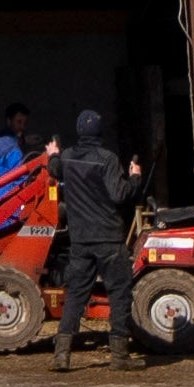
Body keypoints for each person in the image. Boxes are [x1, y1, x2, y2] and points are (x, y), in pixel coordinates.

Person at [45, 105, 135, 356]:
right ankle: (119, 354)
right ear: (100, 132)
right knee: (119, 292)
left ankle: (61, 354)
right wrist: (134, 178)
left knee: (75, 293)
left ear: (78, 131)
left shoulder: (68, 157)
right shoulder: (107, 159)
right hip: (108, 238)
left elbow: (54, 169)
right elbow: (120, 194)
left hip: (81, 240)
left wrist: (53, 153)